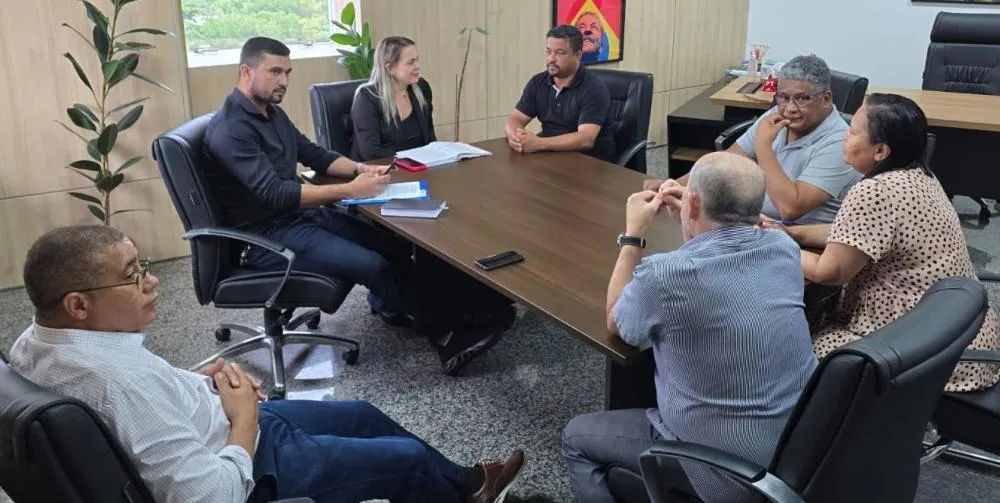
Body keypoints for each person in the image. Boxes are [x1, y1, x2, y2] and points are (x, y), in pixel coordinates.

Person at [7, 225, 525, 503]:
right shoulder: (121, 385)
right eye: (132, 275)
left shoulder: (38, 341)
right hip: (247, 465)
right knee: (403, 462)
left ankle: (464, 486)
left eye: (144, 266)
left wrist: (195, 380)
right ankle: (453, 491)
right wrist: (243, 418)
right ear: (78, 303)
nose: (152, 280)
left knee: (366, 412)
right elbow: (210, 498)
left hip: (219, 425)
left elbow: (142, 398)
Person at [203, 37, 513, 375]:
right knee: (371, 264)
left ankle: (424, 308)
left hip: (300, 219)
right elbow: (275, 193)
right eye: (275, 72)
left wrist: (361, 169)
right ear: (246, 71)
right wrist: (350, 190)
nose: (284, 82)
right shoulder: (231, 129)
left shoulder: (270, 113)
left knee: (393, 245)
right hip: (266, 239)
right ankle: (447, 332)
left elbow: (314, 155)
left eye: (288, 72)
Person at [563, 152, 818, 502]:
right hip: (798, 449)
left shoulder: (665, 275)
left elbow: (618, 321)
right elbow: (726, 270)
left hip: (725, 470)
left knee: (576, 437)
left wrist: (632, 235)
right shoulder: (784, 247)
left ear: (693, 201)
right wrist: (695, 222)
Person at [774, 93, 1000, 392]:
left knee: (790, 348)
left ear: (880, 150)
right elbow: (857, 234)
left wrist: (773, 241)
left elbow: (829, 272)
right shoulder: (918, 175)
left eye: (853, 131)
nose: (845, 136)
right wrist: (793, 233)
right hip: (962, 333)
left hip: (918, 347)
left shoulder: (874, 191)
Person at [645, 54, 860, 225]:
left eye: (802, 99)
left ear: (826, 98)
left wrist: (763, 146)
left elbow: (790, 209)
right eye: (784, 97)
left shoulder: (840, 142)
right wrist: (674, 185)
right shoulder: (774, 115)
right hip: (751, 223)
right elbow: (724, 162)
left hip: (799, 244)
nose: (790, 108)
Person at [503, 25, 616, 163]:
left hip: (590, 164)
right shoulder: (538, 82)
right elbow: (516, 118)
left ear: (578, 55)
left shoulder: (594, 88)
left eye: (559, 53)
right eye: (548, 52)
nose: (551, 59)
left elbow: (586, 138)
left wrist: (538, 143)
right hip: (551, 158)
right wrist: (516, 137)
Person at [351, 36, 436, 161]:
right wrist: (408, 159)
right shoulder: (367, 98)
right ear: (390, 68)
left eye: (417, 60)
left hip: (419, 167)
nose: (417, 66)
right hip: (380, 170)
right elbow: (370, 152)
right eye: (410, 62)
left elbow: (430, 138)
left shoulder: (421, 88)